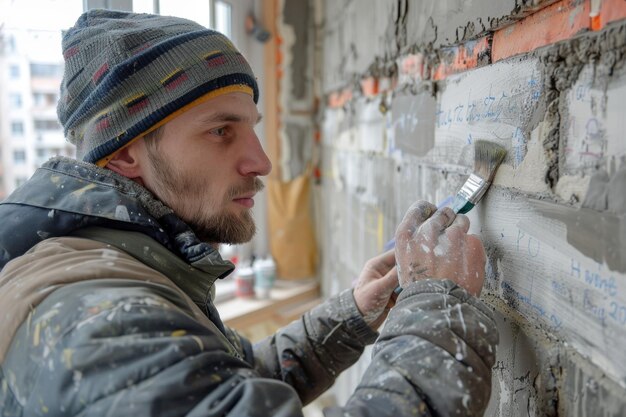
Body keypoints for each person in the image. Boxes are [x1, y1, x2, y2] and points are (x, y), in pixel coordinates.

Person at [0, 9, 498, 417]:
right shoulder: (101, 325)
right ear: (126, 153)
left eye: (251, 128)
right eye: (221, 131)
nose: (261, 162)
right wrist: (440, 307)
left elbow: (223, 387)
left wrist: (350, 316)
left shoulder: (122, 267)